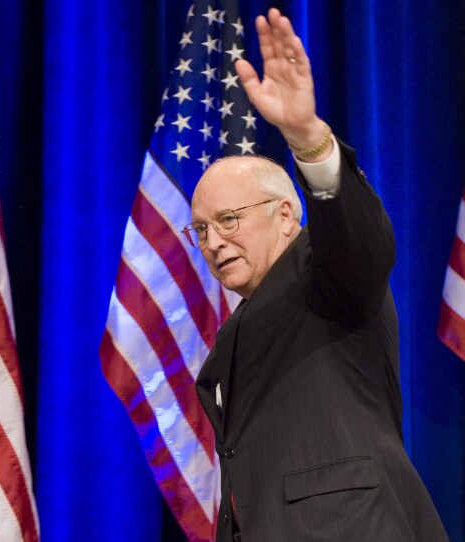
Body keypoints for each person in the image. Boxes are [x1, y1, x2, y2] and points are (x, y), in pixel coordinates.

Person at [186, 9, 449, 541]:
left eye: (229, 220)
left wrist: (308, 138)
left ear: (286, 215)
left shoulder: (324, 273)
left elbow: (359, 239)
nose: (214, 242)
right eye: (201, 230)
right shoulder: (246, 321)